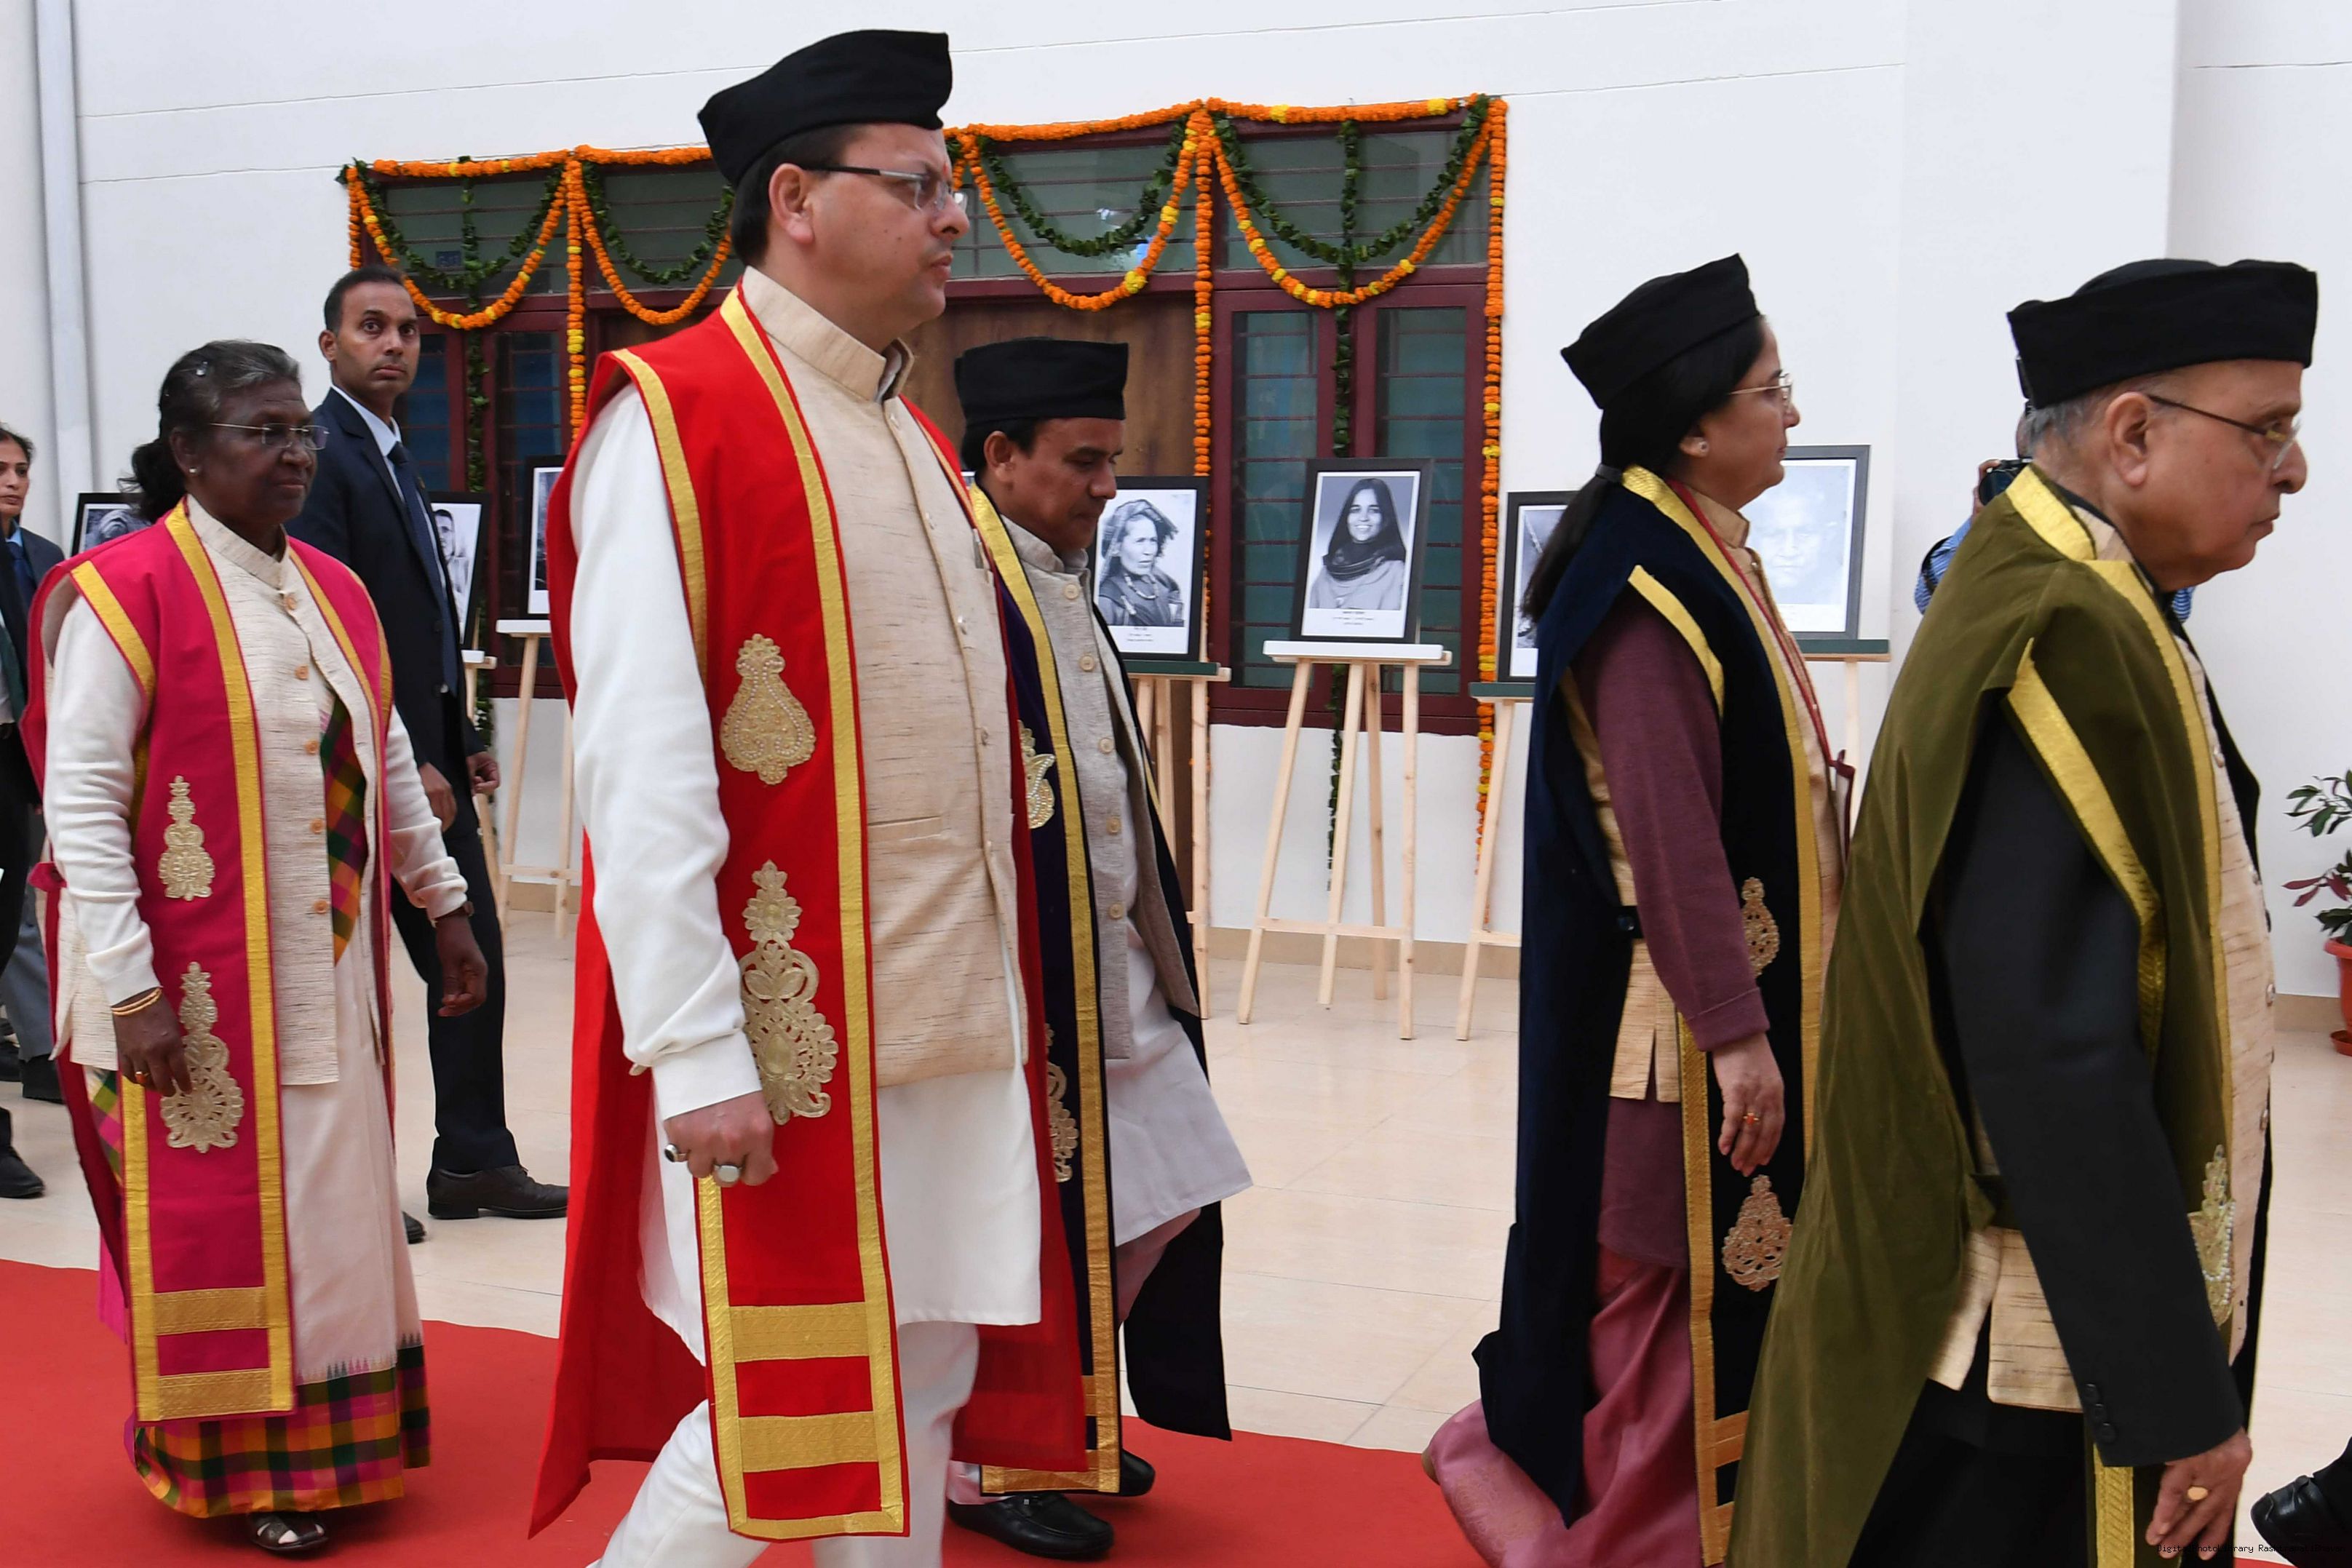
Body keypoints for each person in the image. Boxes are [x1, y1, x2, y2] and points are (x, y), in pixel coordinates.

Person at [531, 32, 1094, 1568]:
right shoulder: (678, 418)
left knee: (922, 1381)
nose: (951, 218)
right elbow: (637, 768)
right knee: (774, 1417)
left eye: (949, 188)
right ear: (794, 199)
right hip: (792, 1046)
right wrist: (697, 1048)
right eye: (915, 186)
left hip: (952, 1021)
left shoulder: (907, 434)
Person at [1733, 258, 2314, 1567]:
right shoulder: (2061, 628)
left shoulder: (2069, 585)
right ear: (2132, 433)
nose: (2292, 471)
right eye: (2266, 430)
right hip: (2018, 1337)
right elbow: (2054, 1053)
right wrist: (2176, 1393)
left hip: (2028, 1307)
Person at [27, 339, 488, 1554]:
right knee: (224, 1223)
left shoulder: (334, 588)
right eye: (263, 432)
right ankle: (240, 1471)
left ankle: (336, 1448)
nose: (294, 453)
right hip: (185, 990)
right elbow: (81, 803)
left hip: (327, 969)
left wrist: (442, 905)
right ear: (188, 453)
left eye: (301, 432)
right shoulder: (123, 594)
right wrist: (132, 989)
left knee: (335, 1218)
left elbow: (387, 753)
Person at [1425, 255, 1846, 1567]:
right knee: (1671, 1307)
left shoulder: (1701, 548)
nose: (1792, 411)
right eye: (1772, 389)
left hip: (1715, 1012)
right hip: (1673, 1033)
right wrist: (1736, 1032)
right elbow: (1668, 835)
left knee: (1673, 1305)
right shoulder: (1650, 584)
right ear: (1695, 425)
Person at [945, 338, 1249, 1560]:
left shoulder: (1053, 573)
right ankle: (987, 1456)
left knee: (1172, 1179)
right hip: (1020, 972)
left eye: (1112, 460)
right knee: (1031, 1216)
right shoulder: (961, 582)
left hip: (1109, 955)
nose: (1108, 486)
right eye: (1084, 461)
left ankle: (1059, 1418)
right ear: (1001, 455)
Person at [289, 266, 562, 1244]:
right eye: (372, 327)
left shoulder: (391, 448)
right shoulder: (322, 454)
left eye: (407, 330)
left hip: (427, 751)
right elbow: (336, 623)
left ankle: (473, 1157)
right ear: (330, 345)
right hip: (367, 767)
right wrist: (407, 754)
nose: (395, 344)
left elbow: (420, 618)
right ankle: (353, 1184)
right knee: (359, 982)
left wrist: (464, 732)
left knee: (469, 961)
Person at [0, 422, 61, 1109]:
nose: (13, 481)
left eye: (20, 470)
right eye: (1, 470)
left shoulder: (44, 556)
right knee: (14, 903)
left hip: (34, 745)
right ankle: (43, 1050)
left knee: (26, 891)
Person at [1306, 477, 1409, 611]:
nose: (1363, 518)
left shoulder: (1397, 573)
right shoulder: (1326, 572)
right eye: (1355, 510)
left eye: (1374, 510)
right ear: (1346, 517)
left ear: (1386, 518)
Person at [1094, 498, 1184, 629]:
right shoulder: (1106, 599)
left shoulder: (1166, 585)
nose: (1149, 551)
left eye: (1153, 541)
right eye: (1140, 541)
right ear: (1116, 548)